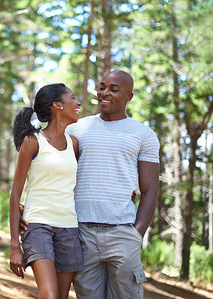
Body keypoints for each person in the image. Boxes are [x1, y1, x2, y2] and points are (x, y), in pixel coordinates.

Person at [20, 70, 160, 299]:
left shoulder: (144, 135)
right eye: (102, 87)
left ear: (129, 96)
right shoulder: (76, 129)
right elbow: (54, 171)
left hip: (123, 233)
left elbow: (150, 189)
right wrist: (26, 204)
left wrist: (137, 234)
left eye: (114, 89)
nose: (104, 93)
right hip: (81, 233)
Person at [9, 83, 83, 299]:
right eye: (72, 98)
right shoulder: (33, 142)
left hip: (69, 228)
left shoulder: (74, 144)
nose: (78, 103)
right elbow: (15, 194)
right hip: (38, 226)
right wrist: (15, 245)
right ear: (57, 105)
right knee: (49, 296)